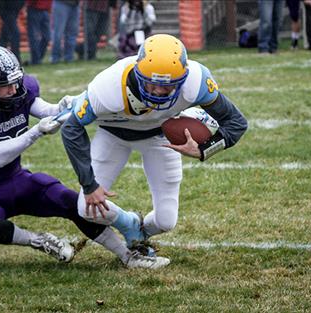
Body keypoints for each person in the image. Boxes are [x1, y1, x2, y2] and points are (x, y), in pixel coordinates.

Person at [0, 46, 168, 269]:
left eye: (14, 82)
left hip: (19, 181)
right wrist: (36, 131)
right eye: (4, 86)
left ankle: (128, 256)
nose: (13, 89)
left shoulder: (20, 90)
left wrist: (63, 106)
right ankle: (38, 241)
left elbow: (48, 112)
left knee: (76, 204)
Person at [61, 34, 248, 261]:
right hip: (113, 135)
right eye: (152, 83)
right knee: (85, 208)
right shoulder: (110, 85)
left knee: (166, 221)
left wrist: (204, 149)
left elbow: (236, 122)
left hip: (160, 137)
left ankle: (141, 233)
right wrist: (89, 185)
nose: (159, 92)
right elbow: (71, 128)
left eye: (168, 86)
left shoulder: (196, 82)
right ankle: (128, 224)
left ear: (183, 78)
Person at [26, 0, 52, 65]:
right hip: (34, 9)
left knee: (47, 37)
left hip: (45, 9)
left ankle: (38, 58)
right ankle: (35, 60)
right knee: (34, 37)